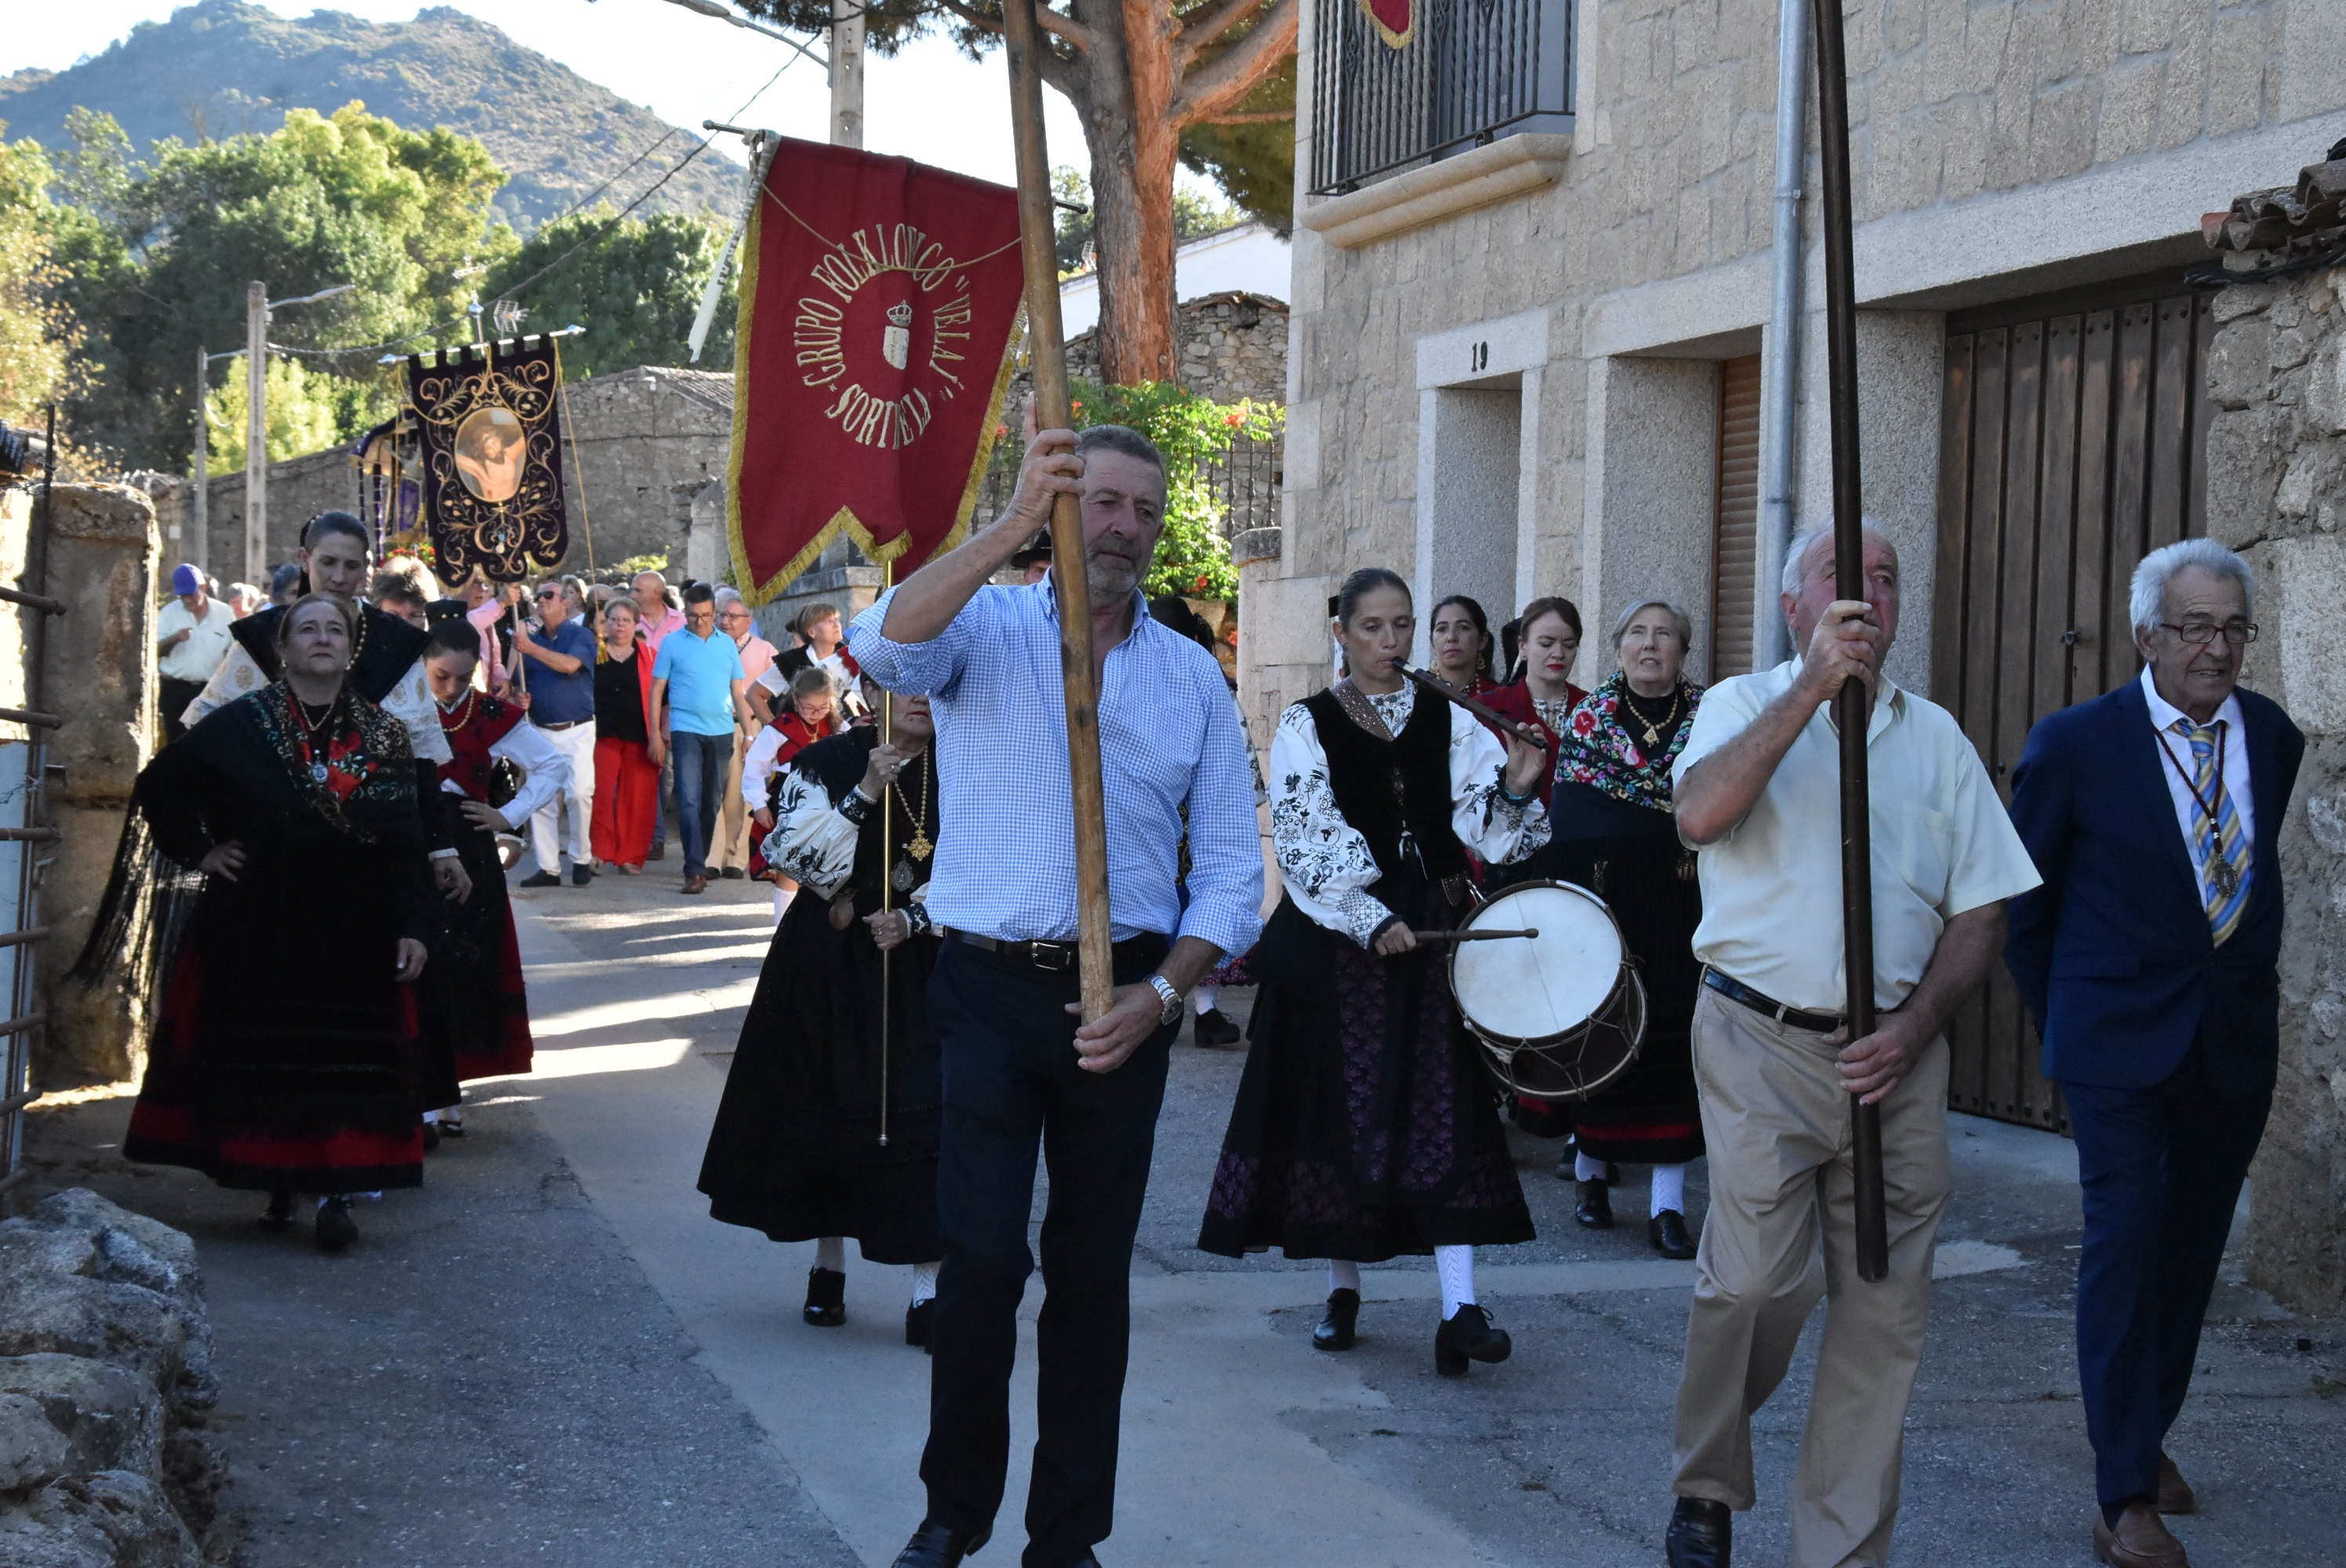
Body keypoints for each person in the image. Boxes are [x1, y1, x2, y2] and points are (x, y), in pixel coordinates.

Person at [848, 422, 1262, 1568]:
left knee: (1090, 1274)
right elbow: (881, 645)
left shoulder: (1189, 676)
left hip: (1123, 1002)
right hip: (985, 986)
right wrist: (1013, 525)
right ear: (1062, 509)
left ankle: (1067, 1536)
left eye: (1143, 509)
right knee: (981, 1260)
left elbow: (1233, 871)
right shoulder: (984, 629)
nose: (1122, 526)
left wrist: (1162, 995)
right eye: (1101, 502)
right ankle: (952, 1515)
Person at [1658, 522, 2040, 1568]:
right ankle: (1706, 1477)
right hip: (1759, 1038)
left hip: (1896, 1059)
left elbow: (1983, 910)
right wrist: (1810, 689)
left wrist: (1916, 1027)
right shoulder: (1739, 705)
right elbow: (1700, 815)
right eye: (1844, 575)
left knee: (1882, 1311)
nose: (1870, 592)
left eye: (1887, 577)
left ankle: (1840, 1551)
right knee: (1752, 1285)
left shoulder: (1936, 739)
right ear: (1795, 604)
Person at [2003, 539, 2303, 1568]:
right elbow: (2025, 909)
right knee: (2126, 1245)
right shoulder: (2076, 744)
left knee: (2189, 1253)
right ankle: (2122, 1491)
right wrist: (2067, 1026)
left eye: (2233, 628)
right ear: (2146, 635)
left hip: (2231, 1041)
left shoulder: (2272, 736)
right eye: (2194, 627)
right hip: (2114, 1045)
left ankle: (2142, 1429)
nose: (2216, 649)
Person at [1198, 567, 1548, 1371]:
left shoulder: (1450, 716)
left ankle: (1460, 1307)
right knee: (1341, 1107)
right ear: (1342, 634)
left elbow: (1485, 829)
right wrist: (1367, 917)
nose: (1390, 641)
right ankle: (1342, 1287)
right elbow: (1303, 835)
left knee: (1445, 1108)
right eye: (1372, 627)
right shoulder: (1308, 721)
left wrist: (1516, 787)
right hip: (1339, 939)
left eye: (1402, 625)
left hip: (1431, 927)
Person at [82, 593, 436, 1253]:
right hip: (262, 918)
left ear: (351, 648)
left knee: (342, 1061)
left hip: (357, 922)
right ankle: (275, 1175)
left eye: (336, 630)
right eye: (308, 629)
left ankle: (337, 1192)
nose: (322, 638)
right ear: (284, 648)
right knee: (275, 1057)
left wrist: (414, 924)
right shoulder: (241, 723)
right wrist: (201, 851)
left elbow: (404, 841)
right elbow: (161, 784)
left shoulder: (385, 735)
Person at [698, 689, 946, 1345]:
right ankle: (827, 1263)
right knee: (828, 1106)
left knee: (926, 1118)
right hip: (827, 960)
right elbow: (793, 861)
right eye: (906, 683)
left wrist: (918, 917)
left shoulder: (967, 761)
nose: (921, 698)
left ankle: (928, 1287)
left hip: (920, 960)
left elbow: (987, 865)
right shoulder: (827, 760)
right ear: (876, 691)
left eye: (932, 683)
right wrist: (865, 791)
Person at [183, 512, 467, 906]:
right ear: (305, 559)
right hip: (273, 853)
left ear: (366, 569)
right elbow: (203, 745)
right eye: (327, 563)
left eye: (351, 566)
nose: (338, 577)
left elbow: (419, 759)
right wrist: (203, 843)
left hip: (371, 852)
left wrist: (441, 847)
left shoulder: (396, 643)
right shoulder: (263, 637)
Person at [1542, 598, 1708, 1258]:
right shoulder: (1590, 719)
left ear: (1683, 651)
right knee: (1603, 1045)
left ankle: (1668, 1206)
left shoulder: (1710, 716)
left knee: (1672, 1052)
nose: (1650, 644)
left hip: (1685, 907)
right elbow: (1572, 818)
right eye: (1637, 633)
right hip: (1604, 905)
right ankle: (1590, 1178)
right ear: (1617, 650)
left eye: (1664, 634)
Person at [417, 619, 565, 1133]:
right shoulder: (399, 707)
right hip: (412, 841)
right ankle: (424, 1094)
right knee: (421, 961)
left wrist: (509, 816)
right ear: (423, 664)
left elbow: (553, 766)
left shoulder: (493, 714)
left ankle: (449, 1097)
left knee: (464, 963)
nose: (452, 688)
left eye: (463, 677)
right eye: (441, 676)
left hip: (470, 841)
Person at [651, 583, 752, 895]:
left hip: (721, 732)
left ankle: (701, 856)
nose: (700, 621)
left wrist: (749, 733)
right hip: (685, 729)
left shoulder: (727, 645)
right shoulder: (672, 643)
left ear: (714, 612)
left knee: (711, 803)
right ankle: (694, 869)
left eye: (706, 615)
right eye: (694, 615)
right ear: (685, 612)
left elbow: (738, 692)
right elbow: (656, 690)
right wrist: (655, 733)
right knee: (688, 799)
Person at [512, 575, 598, 889]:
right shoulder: (530, 641)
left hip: (577, 728)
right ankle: (548, 868)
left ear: (566, 602)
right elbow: (517, 684)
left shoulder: (580, 635)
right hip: (541, 728)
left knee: (579, 793)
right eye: (538, 596)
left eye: (549, 595)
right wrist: (520, 697)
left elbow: (569, 665)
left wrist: (530, 648)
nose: (542, 600)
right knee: (542, 799)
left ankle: (581, 857)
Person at [741, 666, 841, 924]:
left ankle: (813, 926)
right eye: (809, 707)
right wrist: (759, 804)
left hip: (828, 803)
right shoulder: (779, 729)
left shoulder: (837, 727)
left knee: (822, 867)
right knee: (791, 867)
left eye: (823, 707)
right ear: (796, 701)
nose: (816, 714)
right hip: (790, 803)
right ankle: (782, 926)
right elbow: (754, 767)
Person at [1482, 595, 1588, 806]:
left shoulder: (1594, 708)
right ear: (1523, 646)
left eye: (1569, 645)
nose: (1558, 653)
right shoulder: (1487, 708)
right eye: (1546, 644)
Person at [590, 598, 660, 876]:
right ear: (605, 623)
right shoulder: (594, 653)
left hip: (640, 734)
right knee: (600, 793)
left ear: (636, 624)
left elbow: (664, 696)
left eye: (626, 620)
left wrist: (660, 734)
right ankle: (599, 851)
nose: (620, 626)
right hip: (602, 734)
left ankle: (630, 855)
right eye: (614, 620)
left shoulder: (650, 656)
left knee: (638, 797)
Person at [714, 589, 779, 880]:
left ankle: (737, 857)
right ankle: (714, 856)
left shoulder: (765, 650)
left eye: (732, 616)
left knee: (745, 792)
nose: (725, 621)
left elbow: (777, 690)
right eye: (722, 615)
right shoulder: (711, 645)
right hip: (716, 724)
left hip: (749, 727)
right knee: (716, 793)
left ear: (748, 621)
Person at [156, 564, 236, 743]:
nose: (187, 600)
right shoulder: (168, 614)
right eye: (182, 596)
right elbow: (154, 651)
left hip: (210, 690)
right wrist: (174, 639)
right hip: (175, 690)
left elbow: (235, 652)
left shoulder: (224, 613)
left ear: (203, 588)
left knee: (209, 743)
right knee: (176, 746)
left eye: (190, 594)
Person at [753, 600, 862, 724]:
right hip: (805, 732)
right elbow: (754, 694)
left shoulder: (850, 655)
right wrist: (776, 729)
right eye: (829, 621)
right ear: (812, 632)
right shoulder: (791, 662)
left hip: (845, 730)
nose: (837, 624)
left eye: (837, 619)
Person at [1427, 593, 1500, 699]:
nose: (1451, 637)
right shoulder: (1415, 693)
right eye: (1442, 629)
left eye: (1464, 628)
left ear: (1482, 640)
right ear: (1432, 641)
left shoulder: (1499, 698)